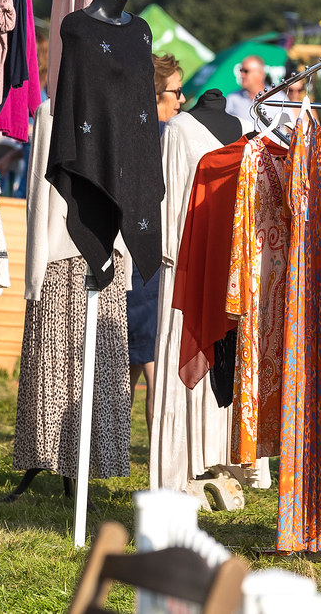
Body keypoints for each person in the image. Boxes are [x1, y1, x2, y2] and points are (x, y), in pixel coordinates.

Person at [125, 53, 183, 438]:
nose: (181, 100)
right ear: (156, 94)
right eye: (176, 92)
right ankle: (160, 466)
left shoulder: (131, 132)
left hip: (129, 257)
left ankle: (103, 458)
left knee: (124, 369)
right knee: (154, 371)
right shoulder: (164, 139)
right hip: (150, 262)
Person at [224, 54, 277, 123]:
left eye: (246, 71)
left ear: (260, 74)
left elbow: (292, 128)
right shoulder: (232, 98)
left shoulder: (278, 97)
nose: (242, 75)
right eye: (241, 71)